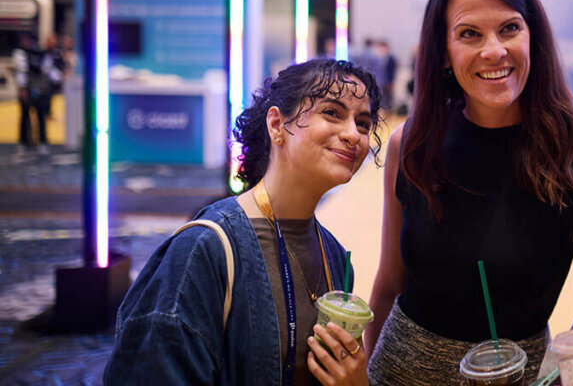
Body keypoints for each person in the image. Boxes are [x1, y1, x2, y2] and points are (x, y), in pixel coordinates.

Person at [364, 0, 573, 384]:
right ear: (445, 53)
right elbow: (389, 282)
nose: (494, 51)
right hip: (400, 375)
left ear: (533, 39)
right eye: (469, 34)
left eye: (510, 29)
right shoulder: (410, 145)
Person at [106, 59, 384, 386]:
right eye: (332, 113)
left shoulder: (334, 256)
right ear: (277, 124)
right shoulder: (206, 249)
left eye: (363, 123)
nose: (353, 134)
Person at [12, 33, 54, 154]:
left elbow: (46, 71)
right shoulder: (23, 54)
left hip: (37, 89)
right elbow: (22, 72)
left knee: (37, 116)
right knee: (27, 116)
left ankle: (40, 142)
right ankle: (26, 142)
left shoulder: (38, 54)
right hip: (33, 88)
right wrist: (23, 88)